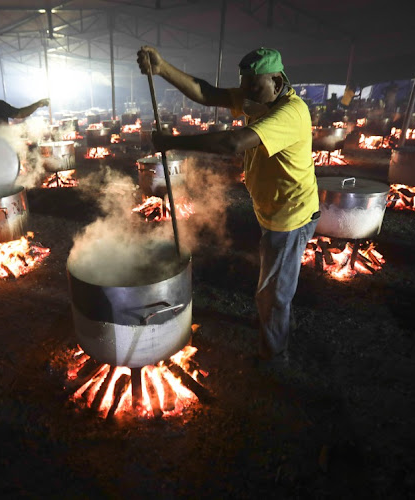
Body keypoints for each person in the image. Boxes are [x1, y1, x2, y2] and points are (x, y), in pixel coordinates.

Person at [136, 46, 319, 365]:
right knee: (273, 281)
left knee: (274, 292)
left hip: (291, 215)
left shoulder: (290, 112)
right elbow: (206, 93)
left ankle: (276, 356)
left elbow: (233, 143)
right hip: (274, 209)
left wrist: (172, 141)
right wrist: (163, 67)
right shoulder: (259, 96)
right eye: (243, 83)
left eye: (253, 84)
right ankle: (273, 323)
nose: (245, 92)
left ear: (277, 80)